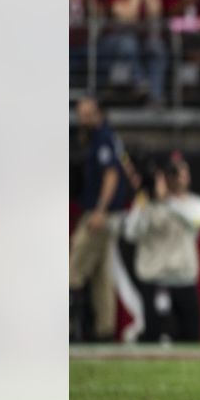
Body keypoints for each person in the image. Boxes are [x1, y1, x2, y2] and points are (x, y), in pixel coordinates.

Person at [123, 152, 200, 342]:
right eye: (176, 173)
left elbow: (196, 221)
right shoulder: (147, 204)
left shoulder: (197, 204)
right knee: (152, 337)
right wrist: (145, 201)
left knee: (191, 338)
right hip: (154, 279)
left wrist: (167, 200)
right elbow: (131, 233)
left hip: (183, 279)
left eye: (183, 173)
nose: (181, 178)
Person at [70, 98, 135, 342]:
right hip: (108, 214)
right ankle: (104, 330)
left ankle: (69, 329)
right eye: (80, 114)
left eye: (86, 114)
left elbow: (111, 175)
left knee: (74, 269)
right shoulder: (108, 137)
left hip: (101, 213)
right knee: (102, 275)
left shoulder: (102, 138)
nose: (81, 119)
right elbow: (125, 168)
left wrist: (100, 210)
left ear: (98, 113)